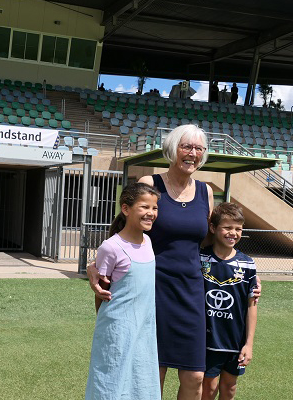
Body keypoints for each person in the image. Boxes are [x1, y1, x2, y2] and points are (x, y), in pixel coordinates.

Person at [88, 125, 262, 400]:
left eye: (199, 149)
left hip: (192, 291)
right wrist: (95, 265)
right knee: (151, 372)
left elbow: (208, 241)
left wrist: (242, 269)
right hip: (152, 289)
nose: (193, 154)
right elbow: (124, 228)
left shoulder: (205, 191)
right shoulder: (150, 182)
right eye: (186, 147)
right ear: (172, 149)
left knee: (195, 376)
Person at [86, 183, 162, 400]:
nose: (150, 213)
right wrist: (108, 327)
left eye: (154, 208)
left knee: (141, 380)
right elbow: (101, 292)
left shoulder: (148, 241)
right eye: (144, 207)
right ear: (126, 209)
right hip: (117, 329)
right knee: (111, 382)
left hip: (144, 328)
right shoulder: (110, 247)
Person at [199, 202, 257, 400]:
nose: (233, 233)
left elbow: (252, 306)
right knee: (208, 387)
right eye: (227, 227)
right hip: (208, 339)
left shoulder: (248, 264)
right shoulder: (201, 258)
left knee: (230, 387)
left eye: (238, 229)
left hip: (235, 341)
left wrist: (248, 344)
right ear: (213, 228)